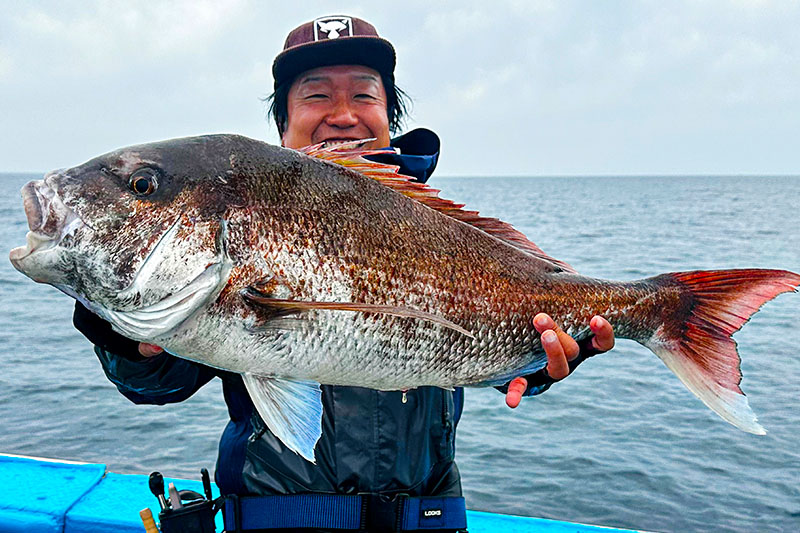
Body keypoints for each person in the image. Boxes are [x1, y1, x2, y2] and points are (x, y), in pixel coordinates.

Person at [72, 15, 615, 532]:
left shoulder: (449, 234)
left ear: (389, 118)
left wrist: (544, 362)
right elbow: (158, 384)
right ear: (283, 128)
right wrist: (122, 334)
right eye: (315, 94)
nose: (343, 113)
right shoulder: (238, 230)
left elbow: (494, 358)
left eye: (364, 94)